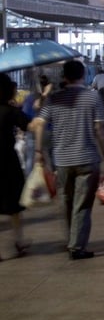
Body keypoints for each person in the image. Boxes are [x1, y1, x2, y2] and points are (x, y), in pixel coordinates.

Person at [30, 60, 104, 260]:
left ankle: (72, 240)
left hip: (61, 160)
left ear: (64, 76)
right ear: (83, 75)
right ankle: (76, 246)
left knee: (67, 202)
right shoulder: (93, 97)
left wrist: (38, 151)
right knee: (82, 205)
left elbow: (40, 124)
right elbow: (99, 131)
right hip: (87, 159)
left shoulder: (54, 99)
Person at [1, 74, 32, 260]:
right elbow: (28, 125)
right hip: (7, 162)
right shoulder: (9, 111)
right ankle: (19, 241)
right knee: (13, 204)